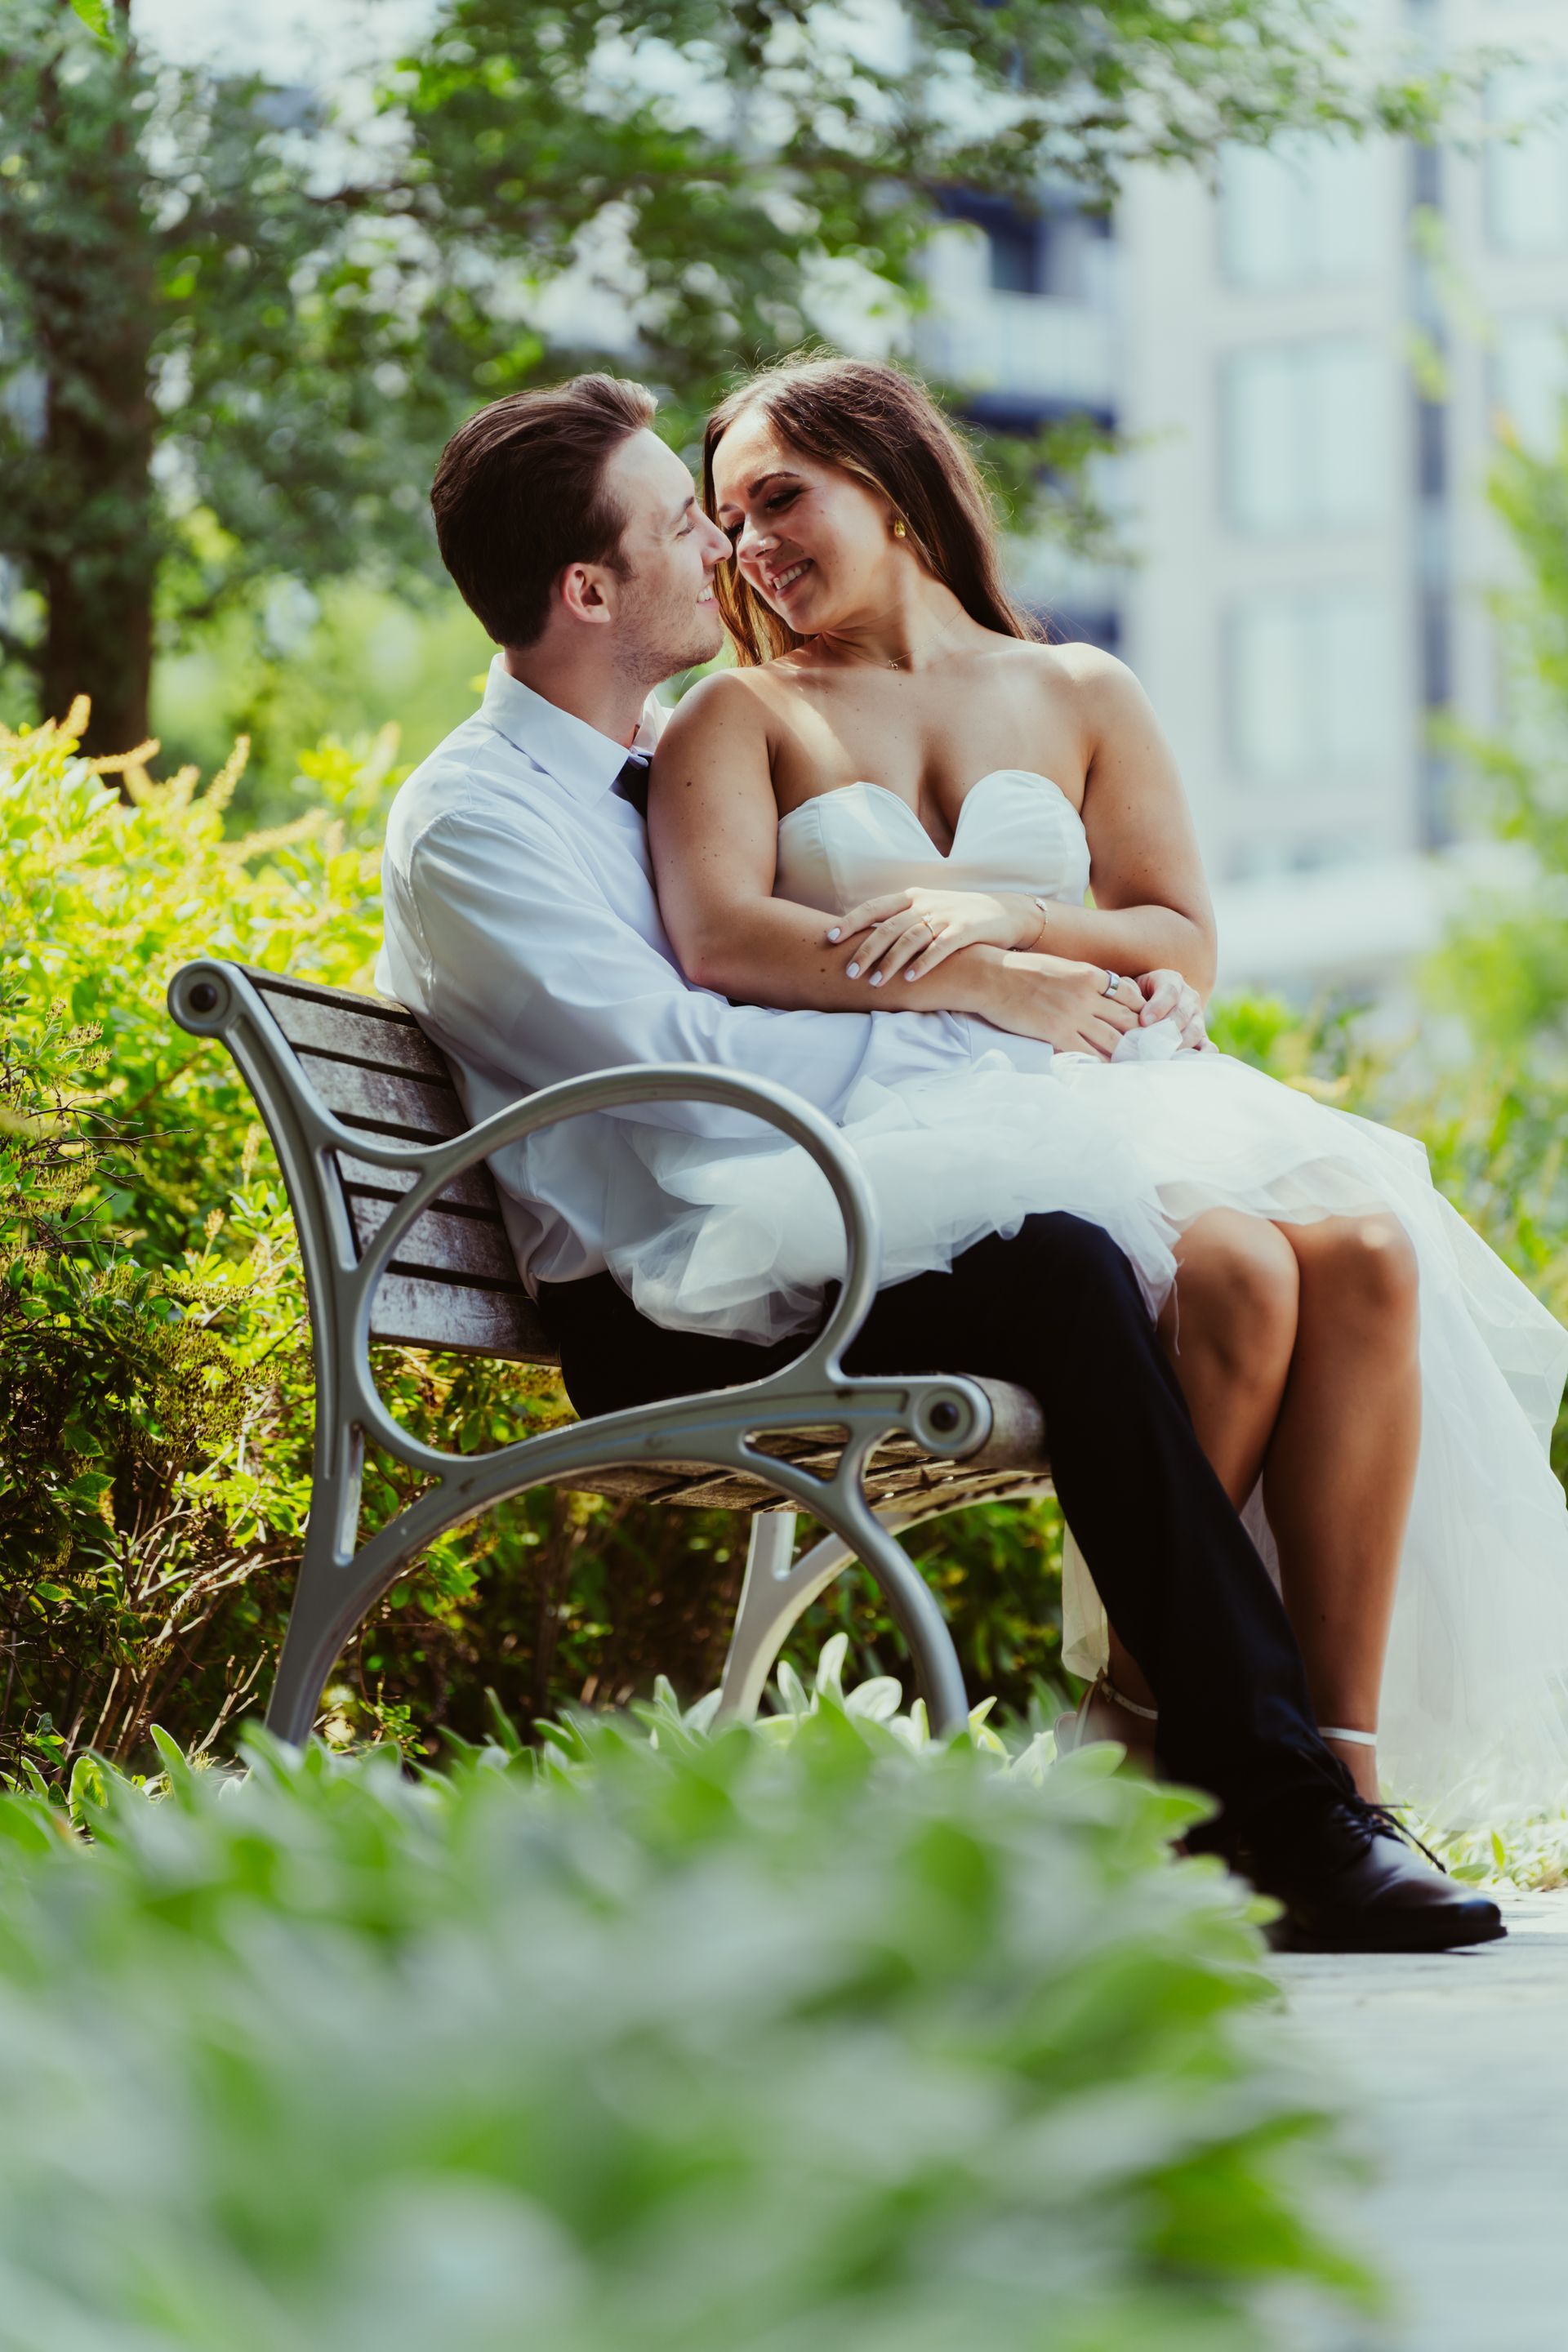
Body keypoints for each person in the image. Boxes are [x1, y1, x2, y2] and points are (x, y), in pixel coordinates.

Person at [377, 370, 1506, 1951]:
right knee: (1067, 1261)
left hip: (803, 1214)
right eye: (688, 517)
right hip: (680, 1285)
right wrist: (986, 1002)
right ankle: (1272, 1806)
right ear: (587, 588)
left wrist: (1023, 975)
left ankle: (1266, 1783)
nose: (722, 543)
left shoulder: (641, 760)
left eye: (755, 503)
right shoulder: (479, 822)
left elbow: (1121, 934)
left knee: (1285, 1244)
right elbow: (688, 1075)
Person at [644, 353, 1568, 1830]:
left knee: (1377, 1253)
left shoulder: (1077, 688)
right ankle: (1155, 1727)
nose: (750, 543)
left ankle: (1340, 1776)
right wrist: (964, 975)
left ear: (884, 484)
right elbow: (724, 935)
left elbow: (1175, 930)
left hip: (1110, 1085)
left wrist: (1010, 923)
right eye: (726, 517)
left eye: (778, 496)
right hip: (916, 1121)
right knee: (1243, 1272)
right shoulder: (736, 716)